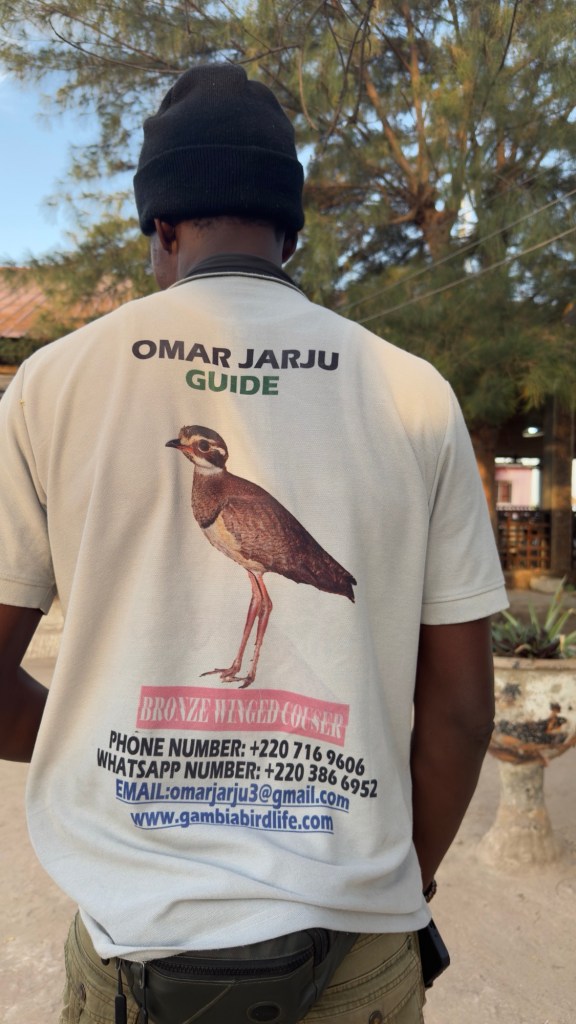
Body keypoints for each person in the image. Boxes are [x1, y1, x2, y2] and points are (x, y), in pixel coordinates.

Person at [0, 64, 507, 1024]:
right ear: (291, 232)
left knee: (263, 592)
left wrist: (95, 738)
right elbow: (461, 711)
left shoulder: (49, 384)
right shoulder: (413, 392)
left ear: (161, 228)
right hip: (355, 951)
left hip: (132, 960)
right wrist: (408, 886)